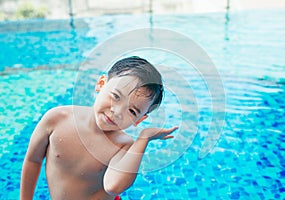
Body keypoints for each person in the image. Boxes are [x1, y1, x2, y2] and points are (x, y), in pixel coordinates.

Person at [20, 56, 178, 200]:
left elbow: (113, 186)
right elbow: (33, 160)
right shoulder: (56, 119)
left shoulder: (123, 145)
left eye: (132, 111)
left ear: (140, 119)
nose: (117, 112)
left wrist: (143, 139)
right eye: (116, 96)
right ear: (101, 84)